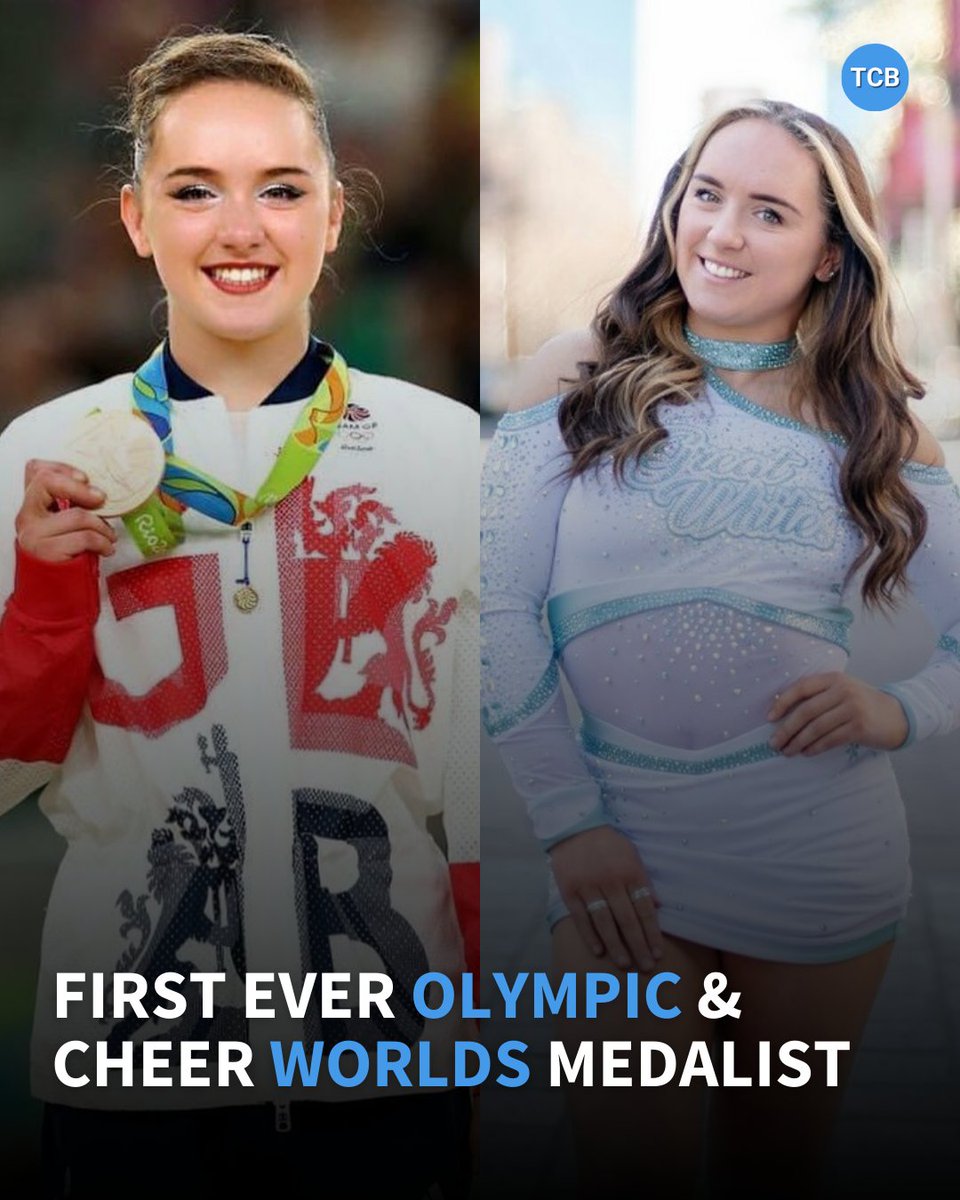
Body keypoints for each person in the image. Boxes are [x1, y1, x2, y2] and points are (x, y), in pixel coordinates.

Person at [0, 30, 477, 1198]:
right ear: (135, 220)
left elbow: (482, 789)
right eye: (194, 190)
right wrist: (49, 601)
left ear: (334, 215)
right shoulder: (44, 456)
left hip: (393, 1073)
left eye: (281, 189)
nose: (240, 227)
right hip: (130, 1082)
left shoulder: (447, 451)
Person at [480, 99, 960, 1196]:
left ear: (830, 253)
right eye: (707, 194)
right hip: (618, 855)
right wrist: (570, 825)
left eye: (769, 211)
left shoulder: (877, 428)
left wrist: (900, 710)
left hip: (819, 858)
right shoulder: (575, 372)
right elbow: (497, 611)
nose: (723, 232)